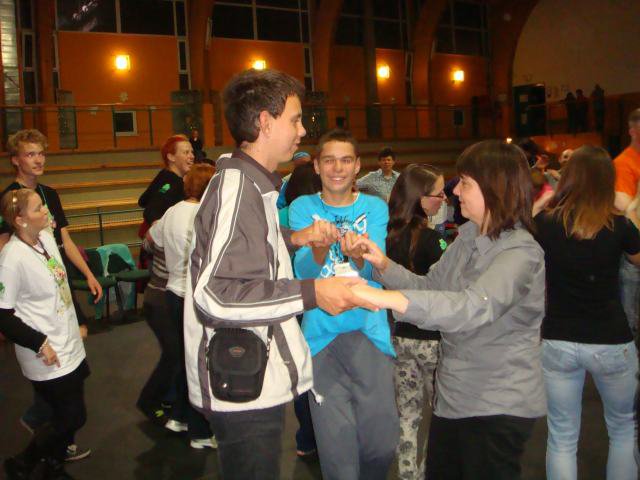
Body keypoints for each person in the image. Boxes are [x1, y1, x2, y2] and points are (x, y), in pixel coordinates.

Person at [183, 68, 376, 480]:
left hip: (250, 374)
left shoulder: (253, 188)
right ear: (265, 122)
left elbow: (247, 247)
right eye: (295, 119)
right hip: (241, 381)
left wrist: (293, 237)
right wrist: (314, 292)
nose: (302, 130)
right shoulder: (238, 191)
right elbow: (216, 294)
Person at [349, 140, 546, 480]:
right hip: (454, 398)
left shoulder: (520, 253)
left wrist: (389, 299)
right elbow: (429, 287)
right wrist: (382, 265)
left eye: (465, 183)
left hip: (497, 403)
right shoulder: (467, 239)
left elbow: (472, 307)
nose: (455, 192)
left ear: (495, 188)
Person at [289, 128, 399, 480]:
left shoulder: (374, 207)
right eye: (329, 160)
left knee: (382, 445)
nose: (337, 168)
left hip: (370, 332)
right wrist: (320, 249)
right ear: (317, 166)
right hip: (321, 338)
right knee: (337, 456)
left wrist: (359, 256)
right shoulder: (302, 207)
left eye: (346, 160)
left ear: (357, 166)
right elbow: (303, 273)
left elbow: (374, 270)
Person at [534, 145, 640, 480]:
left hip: (558, 338)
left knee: (562, 435)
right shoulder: (619, 225)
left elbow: (522, 237)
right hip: (611, 338)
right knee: (623, 429)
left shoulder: (546, 223)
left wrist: (542, 203)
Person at [0, 128, 99, 461]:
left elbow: (64, 241)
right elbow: (7, 255)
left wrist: (87, 273)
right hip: (34, 300)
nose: (38, 159)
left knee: (69, 378)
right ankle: (48, 440)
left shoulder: (49, 195)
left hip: (57, 286)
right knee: (55, 386)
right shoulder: (10, 201)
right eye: (30, 154)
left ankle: (53, 438)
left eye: (41, 153)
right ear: (16, 160)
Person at [147, 164, 217, 449]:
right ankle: (200, 432)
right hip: (194, 297)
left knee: (186, 358)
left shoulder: (172, 211)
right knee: (199, 364)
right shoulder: (206, 214)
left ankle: (178, 416)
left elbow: (151, 241)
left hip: (173, 293)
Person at [386, 164, 447, 480]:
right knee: (442, 414)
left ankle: (408, 473)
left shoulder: (387, 237)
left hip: (400, 338)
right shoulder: (435, 242)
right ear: (420, 198)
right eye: (438, 194)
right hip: (434, 342)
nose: (444, 199)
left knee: (407, 415)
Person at [136, 134, 194, 424]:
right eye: (185, 152)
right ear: (171, 157)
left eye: (191, 151)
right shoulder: (171, 184)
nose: (190, 156)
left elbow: (143, 199)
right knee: (175, 351)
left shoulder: (168, 181)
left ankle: (171, 397)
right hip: (163, 280)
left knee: (177, 350)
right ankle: (152, 400)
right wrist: (164, 231)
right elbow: (150, 209)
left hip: (166, 280)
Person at [277, 162, 322, 457]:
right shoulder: (317, 215)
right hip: (313, 297)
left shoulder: (279, 214)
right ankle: (320, 435)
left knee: (300, 370)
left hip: (288, 301)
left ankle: (306, 438)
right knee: (319, 370)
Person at [613, 108, 640, 335]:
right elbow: (625, 208)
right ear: (632, 131)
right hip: (634, 251)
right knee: (630, 317)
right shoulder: (623, 163)